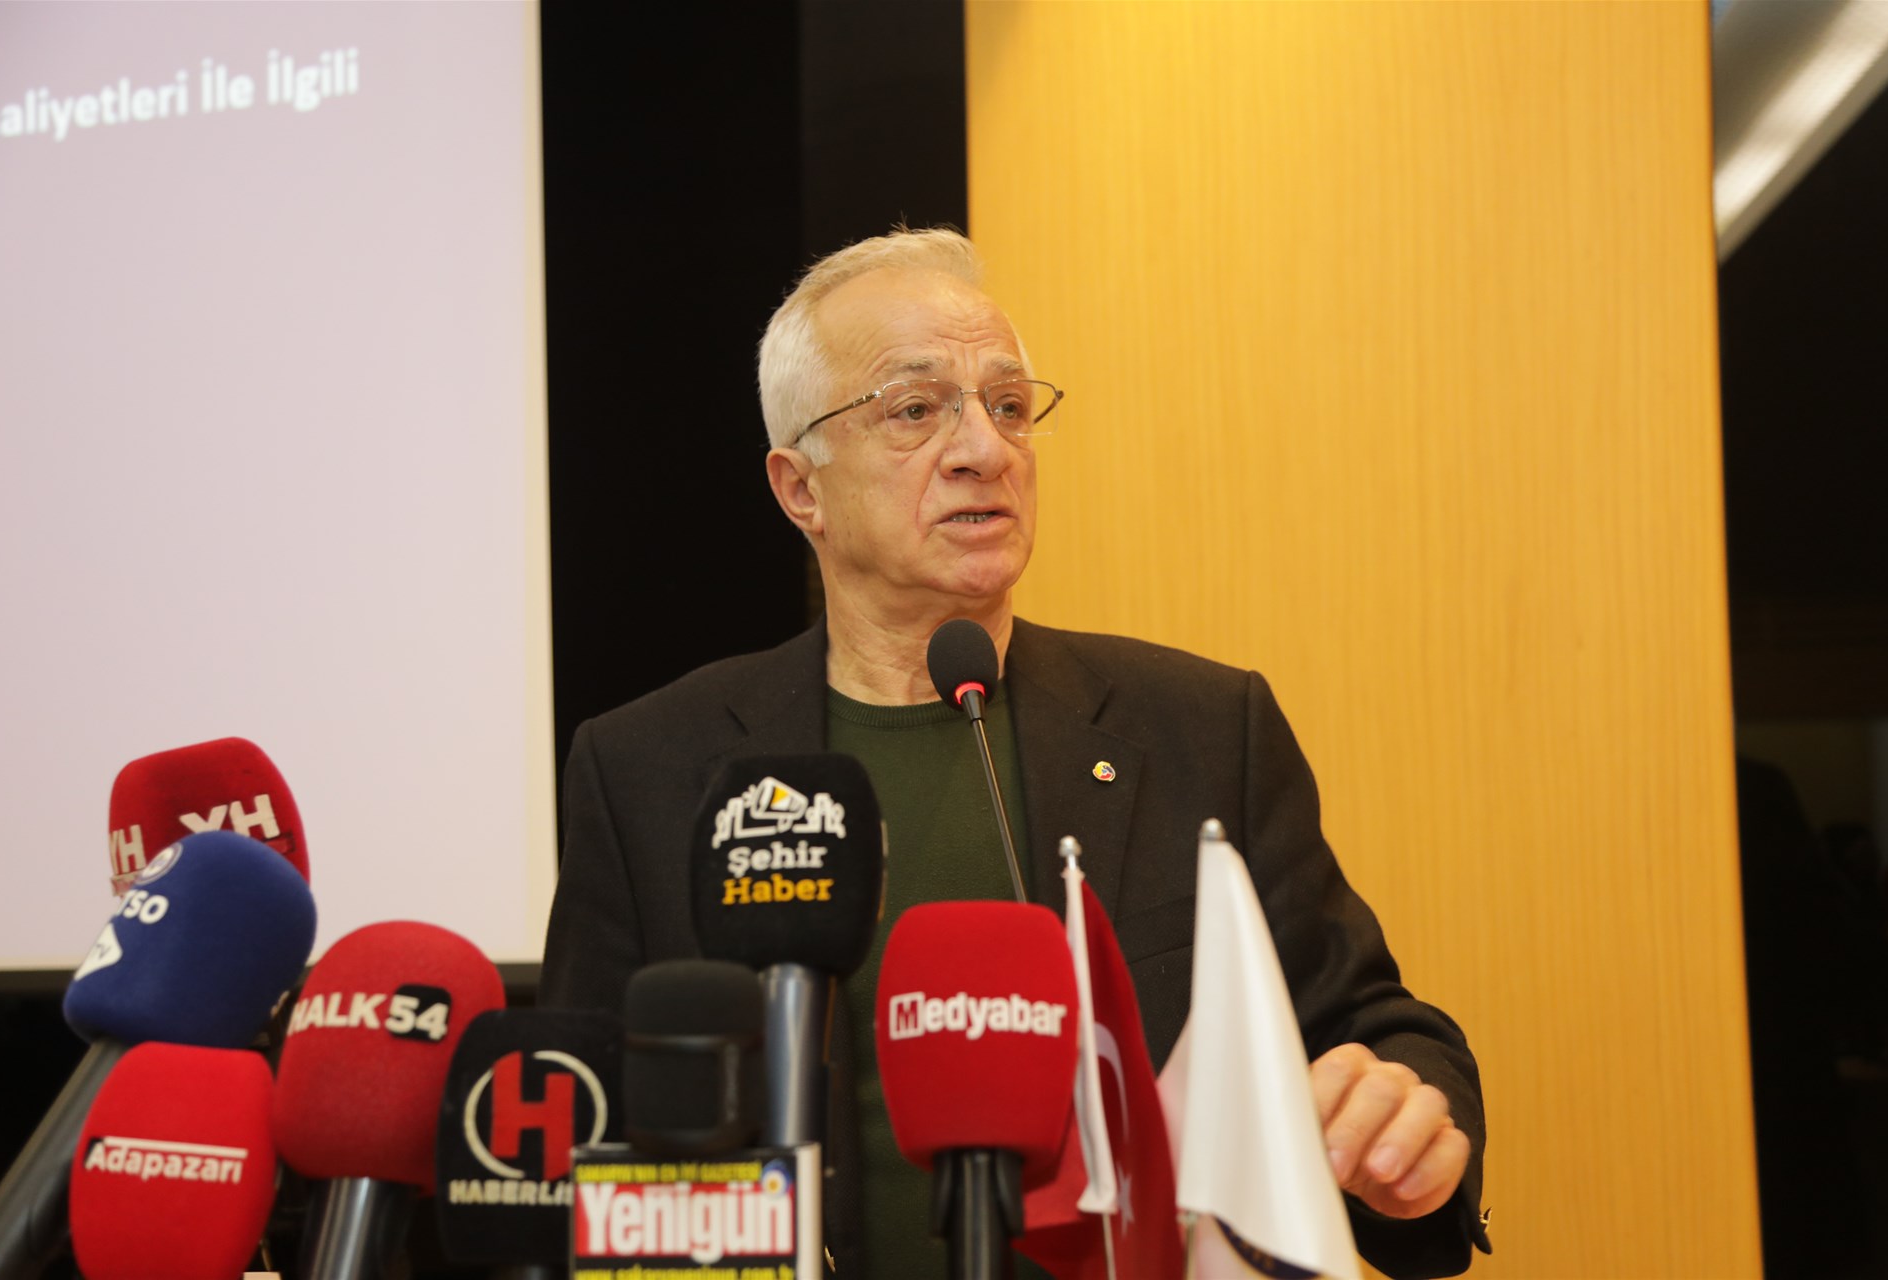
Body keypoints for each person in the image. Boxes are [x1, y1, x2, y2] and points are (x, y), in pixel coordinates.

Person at [541, 228, 1487, 1278]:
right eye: (915, 409)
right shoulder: (649, 769)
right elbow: (576, 1128)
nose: (983, 450)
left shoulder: (1202, 728)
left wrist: (1402, 1112)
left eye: (1006, 404)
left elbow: (1372, 1028)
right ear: (800, 488)